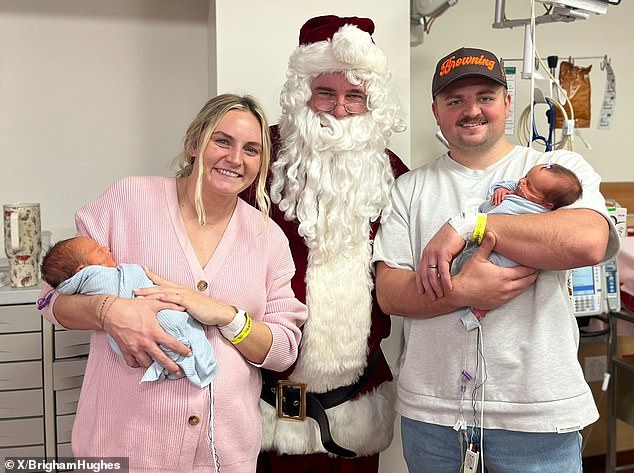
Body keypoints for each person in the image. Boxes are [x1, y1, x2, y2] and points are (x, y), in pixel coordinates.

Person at [372, 47, 620, 473]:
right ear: (436, 112)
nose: (472, 110)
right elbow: (391, 294)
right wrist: (463, 291)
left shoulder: (554, 169)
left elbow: (587, 243)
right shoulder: (408, 189)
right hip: (433, 418)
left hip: (536, 416)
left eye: (485, 96)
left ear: (507, 102)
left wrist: (471, 227)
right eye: (455, 101)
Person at [37, 94, 308, 473]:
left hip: (222, 455)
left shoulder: (268, 238)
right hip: (125, 448)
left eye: (251, 149)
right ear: (194, 143)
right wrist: (110, 311)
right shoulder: (128, 200)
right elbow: (51, 301)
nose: (235, 159)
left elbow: (282, 351)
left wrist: (227, 316)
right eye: (222, 141)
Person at [245, 14, 408, 473]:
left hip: (358, 399)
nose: (340, 109)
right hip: (265, 396)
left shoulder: (393, 172)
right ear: (303, 95)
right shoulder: (259, 162)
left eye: (354, 95)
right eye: (326, 93)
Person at [41, 235, 218, 388]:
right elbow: (48, 302)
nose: (106, 248)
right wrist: (108, 309)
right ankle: (185, 355)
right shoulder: (96, 277)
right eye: (99, 250)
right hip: (130, 395)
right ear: (83, 271)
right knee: (169, 321)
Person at [454, 162, 583, 330]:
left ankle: (478, 312)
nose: (521, 182)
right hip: (478, 240)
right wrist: (500, 191)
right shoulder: (517, 189)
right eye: (526, 177)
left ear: (547, 204)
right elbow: (503, 185)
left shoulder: (539, 213)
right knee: (465, 263)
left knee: (497, 275)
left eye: (529, 185)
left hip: (505, 256)